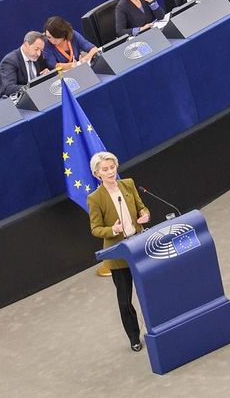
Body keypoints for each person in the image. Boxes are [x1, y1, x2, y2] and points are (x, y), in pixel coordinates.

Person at [86, 151, 150, 352]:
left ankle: (157, 326)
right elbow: (96, 229)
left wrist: (145, 216)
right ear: (97, 174)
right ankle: (134, 337)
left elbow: (143, 208)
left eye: (112, 167)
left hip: (140, 247)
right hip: (119, 255)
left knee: (149, 291)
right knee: (125, 300)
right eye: (105, 169)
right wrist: (113, 229)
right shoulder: (95, 198)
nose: (110, 171)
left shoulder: (128, 184)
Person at [0, 31, 51, 99]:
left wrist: (46, 75)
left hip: (34, 96)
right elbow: (8, 88)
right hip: (8, 101)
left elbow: (42, 74)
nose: (39, 53)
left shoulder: (37, 56)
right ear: (26, 45)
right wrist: (32, 88)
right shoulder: (10, 61)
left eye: (41, 50)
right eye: (36, 49)